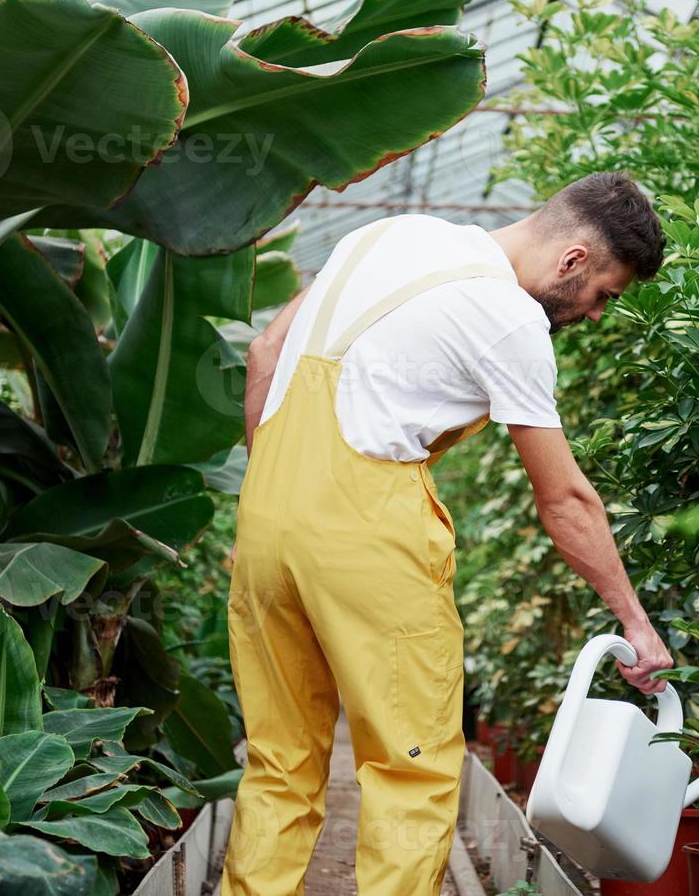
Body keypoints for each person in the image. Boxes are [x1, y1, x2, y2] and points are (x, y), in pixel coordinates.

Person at [220, 171, 675, 895]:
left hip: (268, 520)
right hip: (368, 537)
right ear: (573, 261)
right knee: (412, 767)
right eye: (603, 296)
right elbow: (565, 502)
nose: (593, 315)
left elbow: (265, 357)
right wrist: (633, 620)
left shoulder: (385, 234)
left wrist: (272, 499)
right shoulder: (509, 320)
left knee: (278, 762)